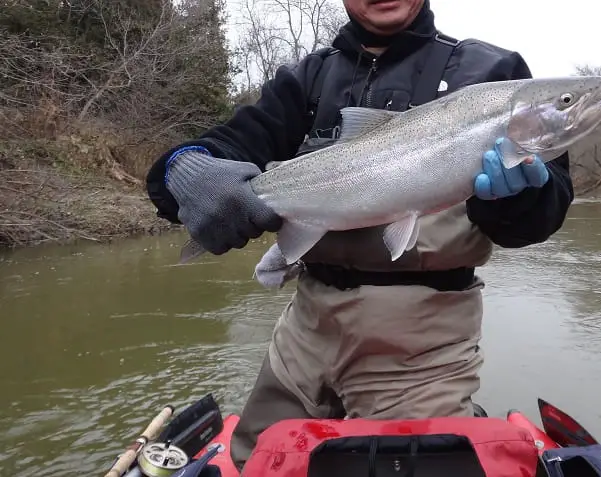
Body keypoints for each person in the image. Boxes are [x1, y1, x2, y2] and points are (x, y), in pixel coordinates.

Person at [145, 0, 574, 470]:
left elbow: (542, 218)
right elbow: (229, 143)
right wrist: (182, 167)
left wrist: (516, 201)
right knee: (255, 461)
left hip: (424, 343)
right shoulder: (308, 77)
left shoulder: (494, 73)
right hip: (306, 325)